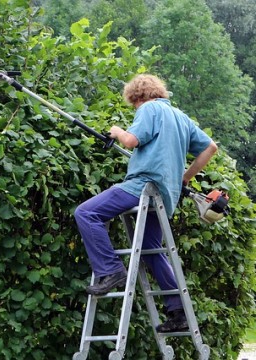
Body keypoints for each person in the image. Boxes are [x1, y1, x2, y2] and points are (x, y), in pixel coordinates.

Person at [74, 74, 218, 332]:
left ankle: (110, 270)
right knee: (151, 249)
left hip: (142, 186)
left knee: (86, 213)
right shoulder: (181, 117)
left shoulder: (148, 108)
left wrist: (118, 131)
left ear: (137, 97)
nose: (135, 108)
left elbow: (131, 141)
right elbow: (211, 148)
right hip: (166, 194)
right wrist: (184, 177)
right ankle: (178, 312)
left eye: (133, 104)